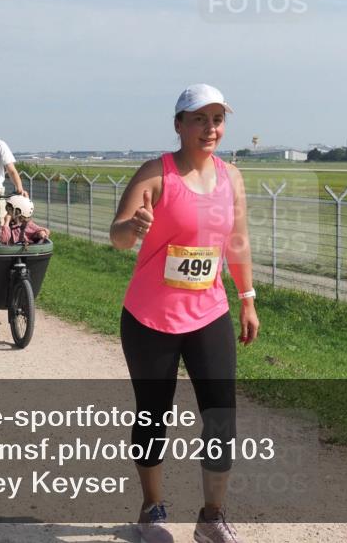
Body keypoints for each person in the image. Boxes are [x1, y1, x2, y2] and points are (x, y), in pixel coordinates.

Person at [109, 84, 258, 543]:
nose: (210, 128)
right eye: (199, 119)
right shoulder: (156, 174)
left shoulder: (231, 177)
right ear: (179, 125)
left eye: (217, 119)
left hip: (209, 312)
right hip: (151, 318)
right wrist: (133, 227)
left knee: (221, 415)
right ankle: (151, 509)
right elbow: (117, 236)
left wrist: (247, 297)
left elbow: (237, 242)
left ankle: (211, 516)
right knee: (154, 414)